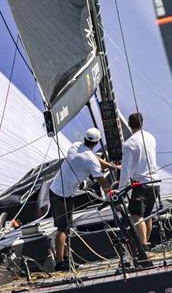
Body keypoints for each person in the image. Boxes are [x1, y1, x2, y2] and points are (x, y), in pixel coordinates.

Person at [49, 128, 112, 271]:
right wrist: (111, 196)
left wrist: (112, 166)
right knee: (62, 228)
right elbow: (103, 182)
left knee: (66, 227)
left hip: (59, 191)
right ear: (96, 143)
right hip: (61, 194)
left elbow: (94, 158)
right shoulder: (90, 159)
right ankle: (60, 263)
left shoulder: (75, 146)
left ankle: (66, 260)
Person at [119, 112, 159, 247]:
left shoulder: (129, 144)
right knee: (147, 214)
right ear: (142, 123)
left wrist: (121, 190)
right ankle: (146, 245)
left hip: (141, 184)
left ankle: (143, 247)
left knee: (136, 215)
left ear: (129, 125)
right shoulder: (151, 137)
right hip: (155, 182)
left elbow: (125, 170)